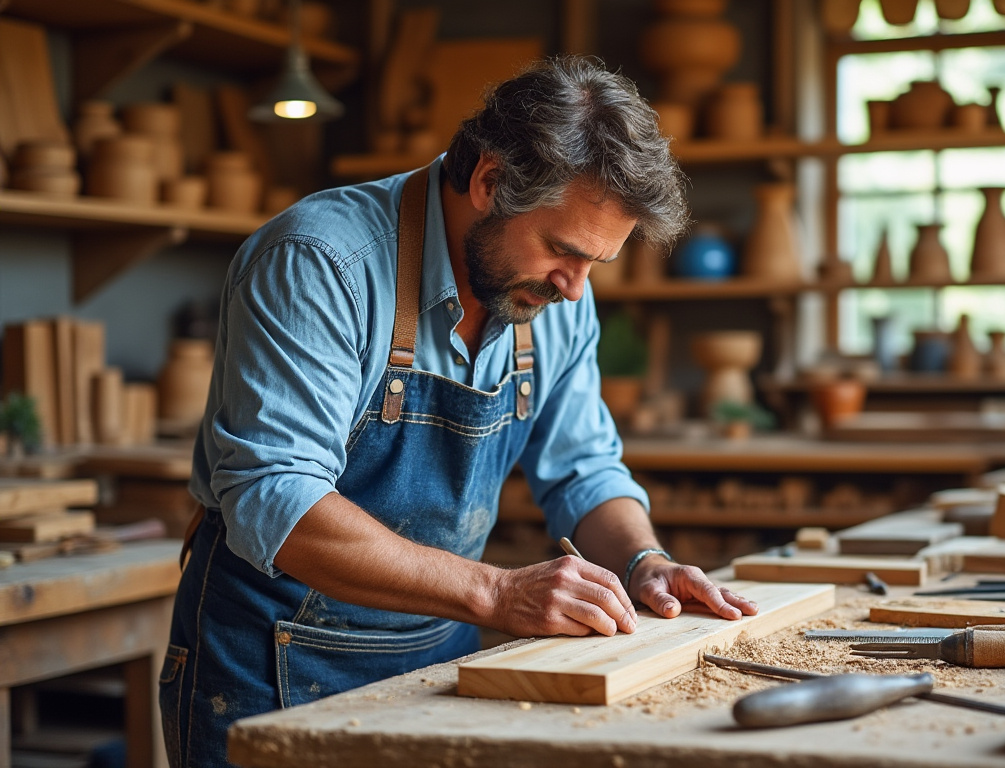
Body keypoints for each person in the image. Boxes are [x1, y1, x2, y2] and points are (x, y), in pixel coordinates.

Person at [160, 56, 758, 767]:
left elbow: (584, 470)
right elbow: (276, 499)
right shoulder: (320, 261)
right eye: (564, 252)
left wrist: (641, 559)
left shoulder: (558, 298)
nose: (574, 289)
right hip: (273, 656)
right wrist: (497, 592)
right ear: (489, 182)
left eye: (596, 263)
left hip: (437, 655)